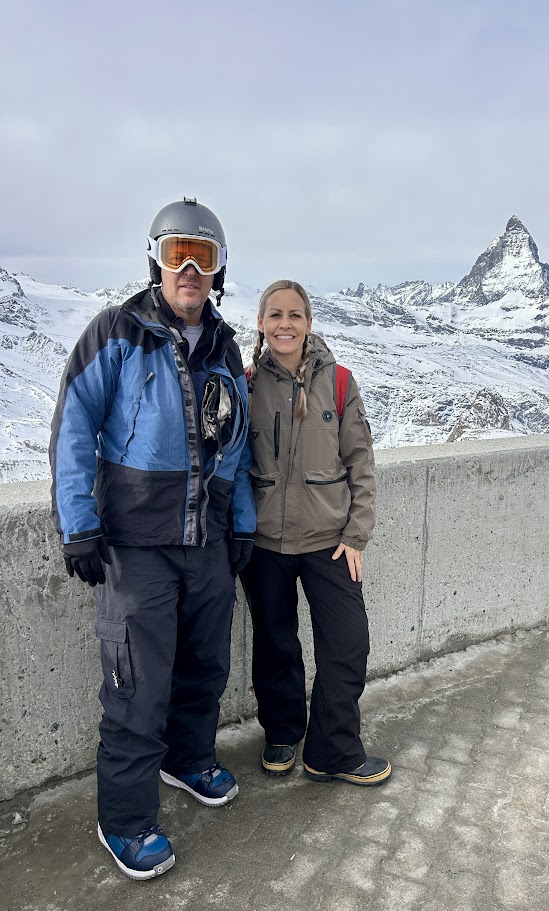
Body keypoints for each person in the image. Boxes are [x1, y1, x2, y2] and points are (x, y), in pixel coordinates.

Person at [49, 198, 255, 880]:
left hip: (206, 541)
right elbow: (74, 425)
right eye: (176, 254)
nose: (190, 269)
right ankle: (126, 822)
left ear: (220, 270)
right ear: (154, 260)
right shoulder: (115, 333)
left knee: (205, 663)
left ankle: (187, 757)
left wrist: (243, 524)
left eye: (204, 256)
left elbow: (237, 447)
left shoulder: (225, 349)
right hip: (134, 543)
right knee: (136, 688)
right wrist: (78, 522)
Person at [241, 279, 391, 788]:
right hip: (265, 544)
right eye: (275, 315)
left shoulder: (340, 382)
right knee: (276, 643)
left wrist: (357, 534)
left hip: (330, 541)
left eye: (295, 315)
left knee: (347, 645)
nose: (285, 324)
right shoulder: (245, 384)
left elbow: (361, 464)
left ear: (309, 323)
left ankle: (332, 749)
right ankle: (282, 732)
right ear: (261, 324)